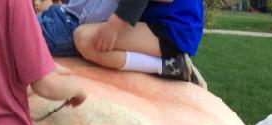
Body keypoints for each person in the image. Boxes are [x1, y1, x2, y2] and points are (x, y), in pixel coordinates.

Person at [72, 0, 203, 82]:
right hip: (160, 21)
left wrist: (114, 26)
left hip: (174, 27)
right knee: (85, 38)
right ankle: (171, 65)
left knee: (86, 39)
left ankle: (169, 66)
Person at [36, 0, 118, 58]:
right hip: (63, 10)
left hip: (75, 26)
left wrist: (113, 26)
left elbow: (129, 5)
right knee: (28, 25)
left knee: (29, 38)